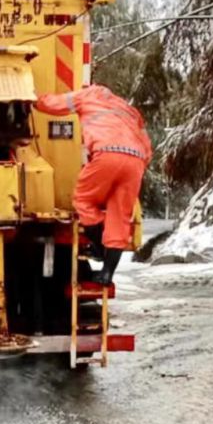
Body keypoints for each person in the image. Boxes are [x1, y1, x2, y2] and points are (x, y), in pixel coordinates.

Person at [35, 84, 152, 286]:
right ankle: (107, 273)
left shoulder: (89, 94)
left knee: (84, 200)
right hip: (136, 161)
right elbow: (147, 145)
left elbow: (54, 105)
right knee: (120, 217)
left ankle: (98, 248)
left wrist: (33, 99)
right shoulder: (126, 107)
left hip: (107, 153)